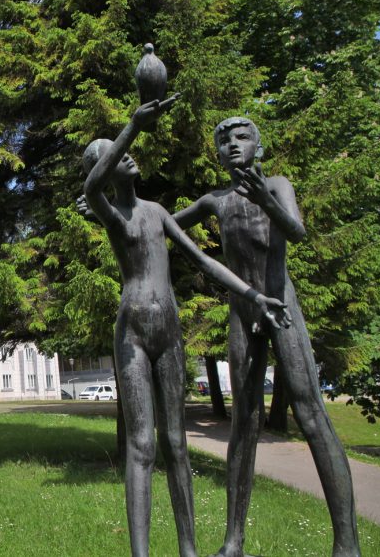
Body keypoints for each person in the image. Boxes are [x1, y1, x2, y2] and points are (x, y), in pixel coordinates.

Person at [83, 97, 287, 557]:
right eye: (115, 154)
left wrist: (253, 295)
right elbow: (93, 187)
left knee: (176, 442)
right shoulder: (112, 214)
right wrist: (133, 124)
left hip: (170, 333)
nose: (128, 155)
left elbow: (200, 259)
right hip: (132, 333)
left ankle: (189, 550)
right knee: (141, 444)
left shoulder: (156, 212)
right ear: (108, 168)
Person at [173, 117, 360, 557]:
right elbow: (163, 225)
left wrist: (266, 201)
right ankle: (233, 541)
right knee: (244, 424)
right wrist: (110, 204)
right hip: (243, 311)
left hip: (282, 306)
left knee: (312, 414)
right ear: (217, 153)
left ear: (257, 143)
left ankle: (347, 544)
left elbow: (296, 231)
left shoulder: (276, 184)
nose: (233, 145)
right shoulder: (214, 200)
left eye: (242, 138)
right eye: (224, 141)